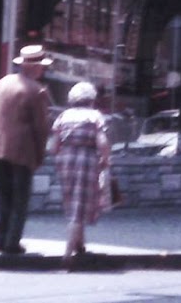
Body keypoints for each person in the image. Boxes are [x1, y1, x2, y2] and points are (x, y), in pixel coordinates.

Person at [0, 44, 53, 257]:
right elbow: (41, 128)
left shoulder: (3, 83)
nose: (43, 70)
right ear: (34, 67)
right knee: (19, 198)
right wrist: (40, 156)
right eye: (42, 66)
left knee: (3, 195)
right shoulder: (37, 91)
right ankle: (12, 242)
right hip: (22, 150)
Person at [49, 81, 112, 267]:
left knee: (72, 200)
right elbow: (102, 141)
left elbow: (54, 146)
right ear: (91, 99)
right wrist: (105, 159)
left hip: (66, 159)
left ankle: (80, 245)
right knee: (80, 204)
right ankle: (68, 253)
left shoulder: (63, 116)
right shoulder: (94, 116)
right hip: (86, 158)